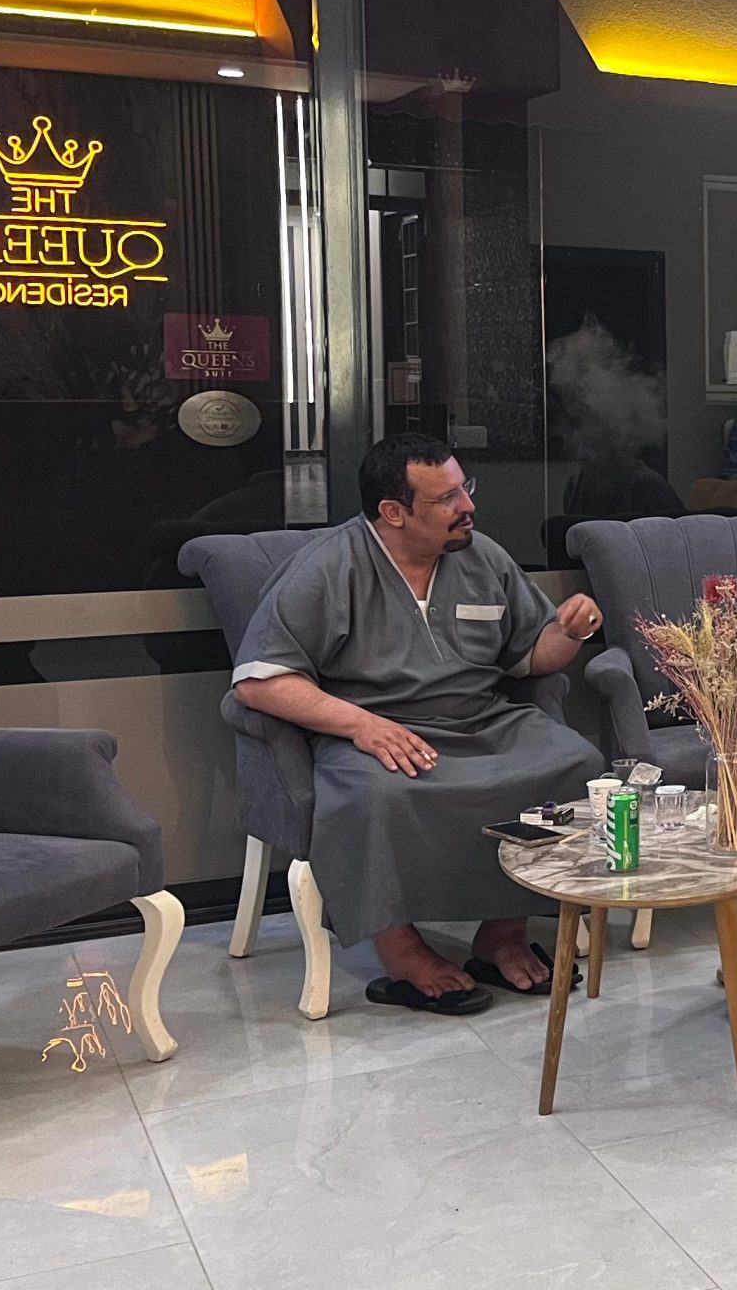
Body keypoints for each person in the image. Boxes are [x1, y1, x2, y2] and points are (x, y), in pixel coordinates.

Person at [231, 434, 608, 1013]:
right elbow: (259, 680)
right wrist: (359, 725)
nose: (468, 506)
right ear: (394, 512)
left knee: (577, 763)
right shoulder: (327, 568)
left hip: (481, 718)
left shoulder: (482, 557)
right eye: (447, 497)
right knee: (374, 794)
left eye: (465, 487)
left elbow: (531, 658)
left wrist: (569, 632)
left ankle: (502, 931)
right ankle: (400, 949)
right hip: (376, 729)